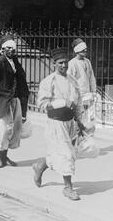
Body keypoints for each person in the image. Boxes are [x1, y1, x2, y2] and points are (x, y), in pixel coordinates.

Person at [32, 48, 85, 201]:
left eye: (66, 62)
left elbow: (78, 102)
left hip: (70, 123)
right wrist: (62, 103)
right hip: (55, 123)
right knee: (66, 154)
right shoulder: (49, 81)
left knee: (65, 154)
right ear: (54, 63)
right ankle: (68, 188)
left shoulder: (72, 80)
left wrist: (80, 122)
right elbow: (42, 104)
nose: (64, 66)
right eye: (60, 63)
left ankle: (40, 166)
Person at [0, 35, 29, 168]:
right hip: (2, 101)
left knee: (12, 130)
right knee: (2, 129)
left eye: (13, 48)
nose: (10, 50)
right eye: (8, 48)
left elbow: (21, 81)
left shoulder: (16, 63)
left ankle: (4, 155)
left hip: (15, 101)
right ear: (3, 49)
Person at [67, 38, 97, 134]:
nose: (85, 51)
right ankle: (78, 143)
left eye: (86, 49)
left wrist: (94, 91)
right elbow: (69, 82)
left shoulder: (87, 61)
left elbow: (91, 77)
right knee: (79, 121)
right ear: (77, 50)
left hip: (88, 95)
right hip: (78, 96)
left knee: (90, 120)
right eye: (83, 49)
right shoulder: (72, 64)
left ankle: (88, 141)